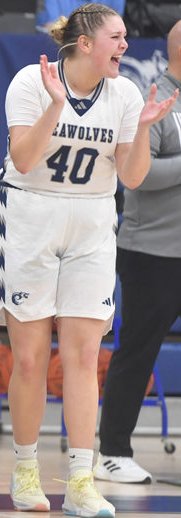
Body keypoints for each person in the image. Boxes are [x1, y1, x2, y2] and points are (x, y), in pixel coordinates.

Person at [0, 3, 177, 518]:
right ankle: (25, 468)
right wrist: (55, 106)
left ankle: (80, 478)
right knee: (30, 358)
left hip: (93, 219)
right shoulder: (32, 81)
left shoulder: (124, 93)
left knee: (82, 357)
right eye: (117, 37)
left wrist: (141, 129)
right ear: (85, 43)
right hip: (30, 213)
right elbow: (25, 159)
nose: (126, 44)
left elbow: (133, 178)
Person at [96, 19, 181, 485]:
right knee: (138, 351)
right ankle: (112, 452)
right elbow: (139, 175)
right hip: (153, 252)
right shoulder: (151, 102)